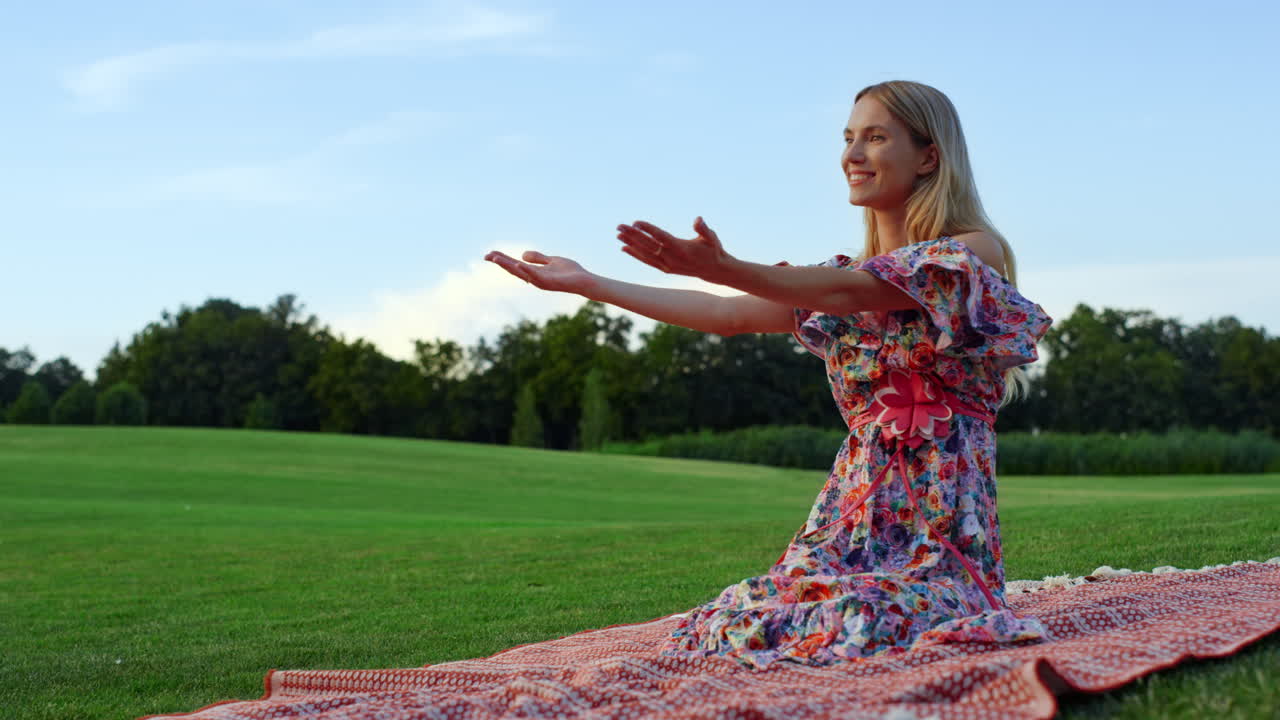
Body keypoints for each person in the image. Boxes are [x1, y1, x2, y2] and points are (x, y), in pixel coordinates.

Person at [484, 80, 1054, 670]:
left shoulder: (969, 254)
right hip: (850, 518)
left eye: (875, 138)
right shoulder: (837, 279)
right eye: (848, 138)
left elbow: (851, 291)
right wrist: (590, 283)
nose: (852, 155)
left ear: (929, 156)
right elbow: (726, 316)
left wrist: (725, 265)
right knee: (743, 615)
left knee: (875, 617)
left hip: (941, 531)